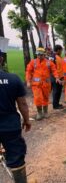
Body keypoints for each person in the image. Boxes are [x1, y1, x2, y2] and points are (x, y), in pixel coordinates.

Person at [0, 50, 31, 183]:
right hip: (10, 126)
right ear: (1, 60)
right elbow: (22, 103)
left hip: (9, 125)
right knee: (16, 157)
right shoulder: (13, 79)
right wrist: (27, 120)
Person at [26, 47, 60, 120]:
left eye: (41, 55)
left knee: (45, 98)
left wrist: (57, 77)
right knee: (37, 98)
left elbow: (54, 70)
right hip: (36, 85)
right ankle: (39, 112)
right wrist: (28, 81)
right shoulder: (33, 62)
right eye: (38, 55)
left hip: (46, 84)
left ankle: (45, 112)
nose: (39, 56)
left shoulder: (49, 62)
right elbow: (28, 71)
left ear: (44, 55)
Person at [51, 45, 64, 109]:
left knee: (59, 91)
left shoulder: (59, 57)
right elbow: (52, 68)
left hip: (60, 77)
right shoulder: (53, 57)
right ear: (58, 50)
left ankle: (57, 103)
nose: (61, 51)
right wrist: (56, 77)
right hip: (56, 77)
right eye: (61, 50)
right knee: (56, 91)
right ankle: (55, 105)